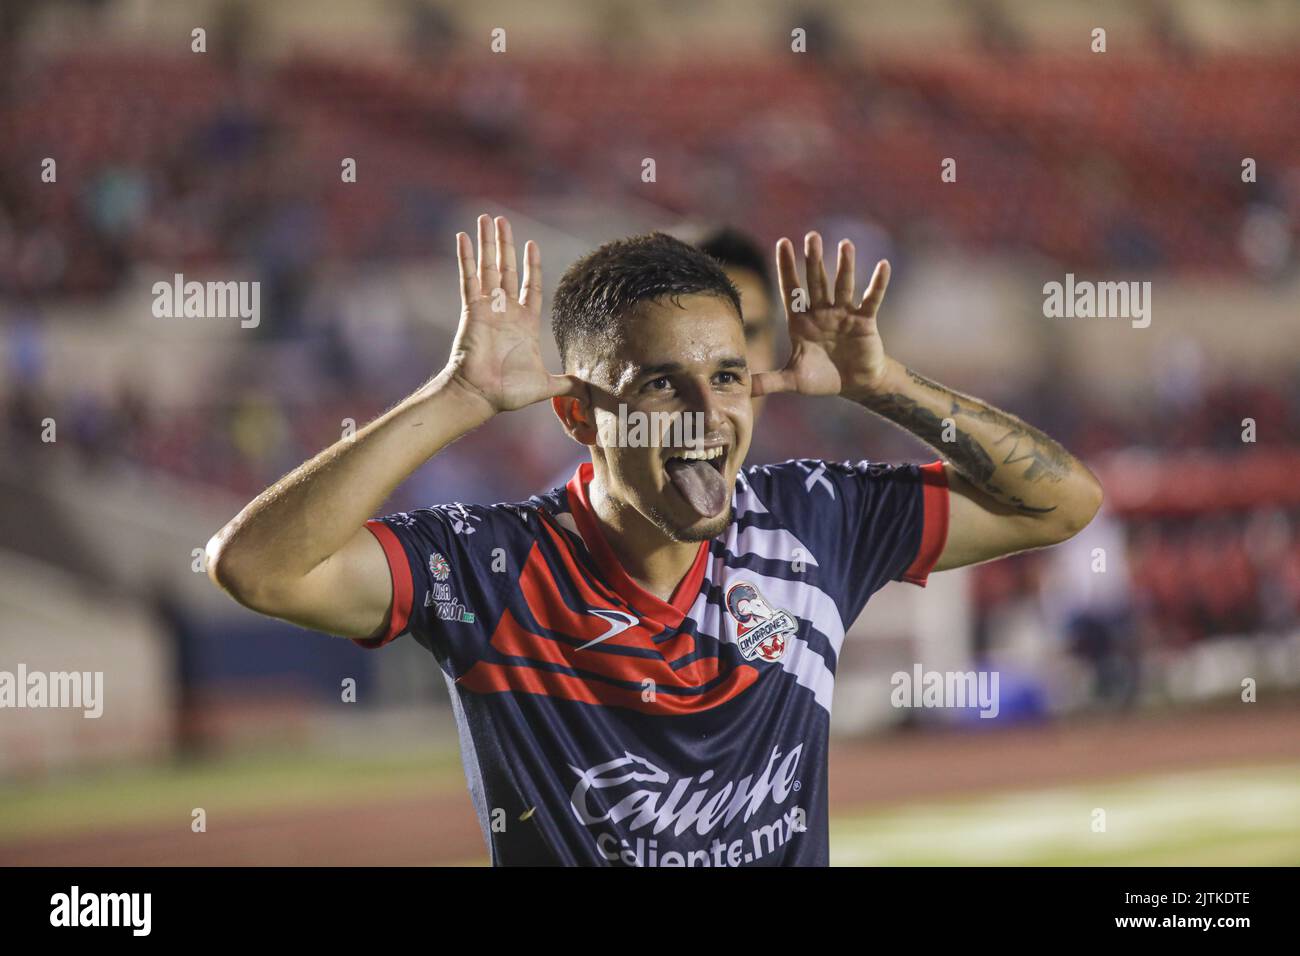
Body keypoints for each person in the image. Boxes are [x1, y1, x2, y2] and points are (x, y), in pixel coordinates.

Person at [206, 214, 1102, 866]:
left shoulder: (814, 519)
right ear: (577, 415)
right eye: (663, 388)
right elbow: (255, 568)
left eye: (726, 376)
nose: (709, 417)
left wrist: (884, 385)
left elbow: (1059, 504)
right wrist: (456, 399)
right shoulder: (496, 567)